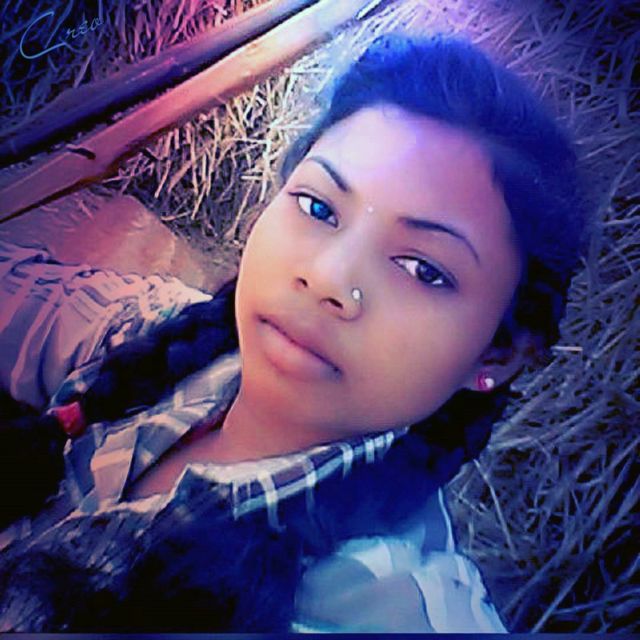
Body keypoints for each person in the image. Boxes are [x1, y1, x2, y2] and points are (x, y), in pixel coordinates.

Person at [0, 32, 589, 632]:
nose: (327, 277)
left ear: (497, 354)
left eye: (422, 269)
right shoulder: (165, 348)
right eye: (317, 208)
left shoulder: (390, 613)